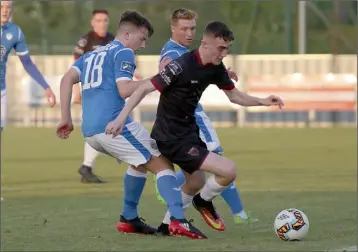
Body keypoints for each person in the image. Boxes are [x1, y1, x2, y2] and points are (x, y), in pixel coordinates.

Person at [104, 20, 284, 233]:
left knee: (196, 181)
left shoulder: (216, 68)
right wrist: (121, 118)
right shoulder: (180, 65)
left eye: (227, 49)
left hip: (188, 132)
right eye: (221, 48)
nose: (224, 53)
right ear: (205, 44)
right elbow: (143, 89)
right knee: (228, 170)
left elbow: (234, 95)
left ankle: (166, 226)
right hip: (170, 136)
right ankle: (203, 202)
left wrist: (263, 101)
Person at [56, 10, 206, 239]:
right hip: (114, 126)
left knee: (139, 162)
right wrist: (160, 80)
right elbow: (125, 89)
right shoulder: (124, 51)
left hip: (90, 132)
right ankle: (178, 220)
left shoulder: (91, 55)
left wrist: (65, 117)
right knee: (163, 164)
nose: (143, 45)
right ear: (127, 34)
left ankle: (129, 219)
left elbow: (66, 79)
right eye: (142, 38)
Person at [154, 9, 257, 235]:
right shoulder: (172, 53)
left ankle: (168, 222)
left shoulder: (192, 53)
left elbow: (203, 69)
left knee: (198, 177)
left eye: (192, 28)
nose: (189, 33)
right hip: (185, 120)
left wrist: (219, 72)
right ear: (173, 29)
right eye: (184, 28)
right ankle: (204, 202)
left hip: (188, 120)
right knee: (217, 163)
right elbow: (165, 73)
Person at [0, 0, 56, 201]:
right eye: (1, 7)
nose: (5, 11)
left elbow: (28, 63)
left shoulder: (14, 32)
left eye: (8, 8)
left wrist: (46, 86)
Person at [72, 9, 115, 183]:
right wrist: (76, 91)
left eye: (105, 20)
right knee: (102, 128)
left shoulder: (112, 40)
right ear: (92, 22)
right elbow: (75, 66)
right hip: (93, 91)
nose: (102, 23)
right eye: (98, 20)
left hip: (109, 90)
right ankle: (87, 166)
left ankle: (87, 167)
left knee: (101, 128)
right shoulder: (86, 41)